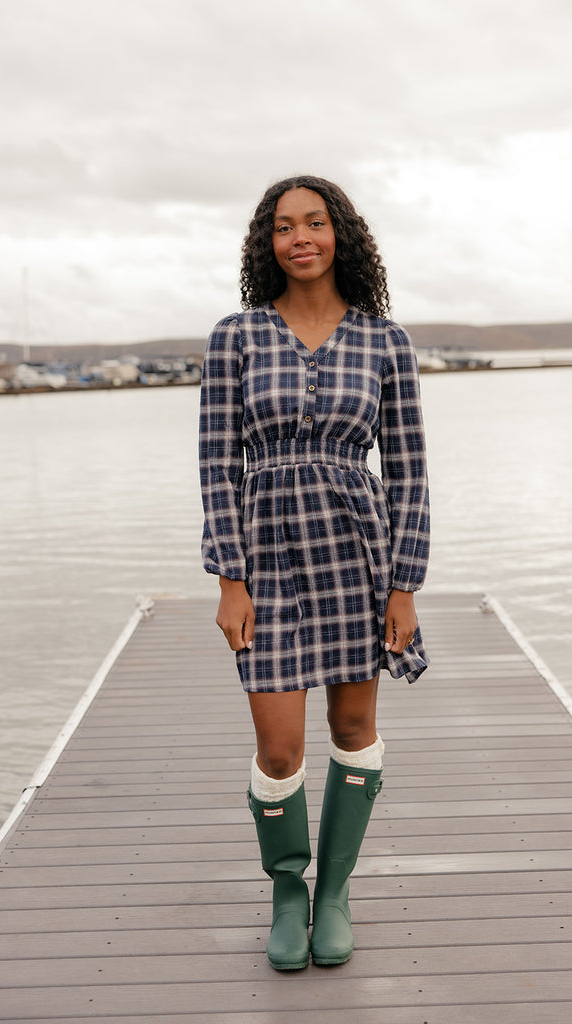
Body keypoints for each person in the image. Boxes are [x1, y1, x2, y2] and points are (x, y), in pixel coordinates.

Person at [198, 175, 429, 971]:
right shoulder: (235, 336)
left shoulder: (383, 341)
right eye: (283, 226)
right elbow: (214, 465)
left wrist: (404, 584)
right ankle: (286, 893)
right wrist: (229, 576)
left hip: (354, 551)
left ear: (341, 235)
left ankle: (331, 895)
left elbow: (409, 472)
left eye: (315, 222)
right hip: (262, 556)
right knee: (278, 745)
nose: (300, 237)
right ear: (267, 243)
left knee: (352, 730)